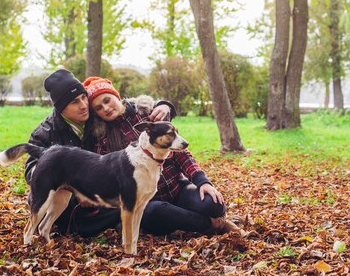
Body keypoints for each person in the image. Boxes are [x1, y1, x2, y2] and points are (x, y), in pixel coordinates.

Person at [83, 76, 243, 236]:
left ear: (116, 96)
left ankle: (186, 221)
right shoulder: (102, 139)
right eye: (98, 107)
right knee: (156, 212)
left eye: (107, 100)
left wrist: (202, 182)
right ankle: (215, 225)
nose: (105, 108)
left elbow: (181, 155)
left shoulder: (148, 115)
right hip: (148, 203)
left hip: (176, 189)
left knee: (213, 204)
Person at [24, 69, 173, 237]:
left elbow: (125, 106)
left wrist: (164, 105)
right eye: (74, 102)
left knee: (139, 206)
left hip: (102, 189)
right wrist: (75, 189)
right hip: (66, 194)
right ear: (61, 108)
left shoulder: (97, 118)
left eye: (83, 98)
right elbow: (32, 170)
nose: (82, 105)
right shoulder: (45, 132)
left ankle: (119, 221)